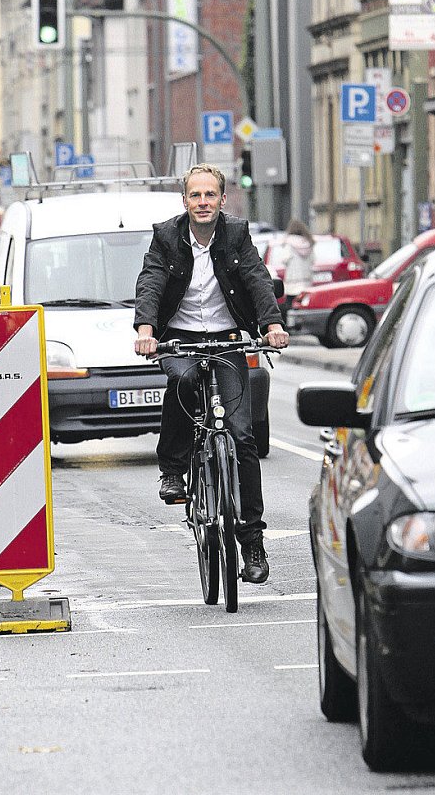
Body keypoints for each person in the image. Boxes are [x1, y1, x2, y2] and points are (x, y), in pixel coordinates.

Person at [134, 163, 289, 584]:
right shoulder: (166, 235)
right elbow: (150, 283)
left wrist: (271, 325)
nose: (203, 202)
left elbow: (257, 279)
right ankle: (173, 469)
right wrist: (147, 331)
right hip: (179, 339)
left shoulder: (236, 233)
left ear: (223, 199)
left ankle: (252, 543)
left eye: (210, 195)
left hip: (227, 339)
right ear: (184, 201)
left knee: (242, 437)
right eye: (195, 195)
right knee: (183, 381)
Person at [279, 219, 315, 324]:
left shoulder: (289, 243)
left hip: (292, 281)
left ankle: (289, 325)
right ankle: (305, 324)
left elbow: (284, 259)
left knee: (289, 304)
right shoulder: (309, 242)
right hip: (306, 280)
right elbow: (313, 260)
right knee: (304, 304)